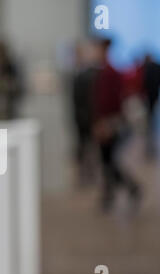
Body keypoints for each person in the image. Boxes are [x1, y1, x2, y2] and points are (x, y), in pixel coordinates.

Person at [92, 39, 141, 211]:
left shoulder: (109, 72)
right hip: (108, 120)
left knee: (109, 160)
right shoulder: (106, 71)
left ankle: (129, 188)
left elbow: (109, 101)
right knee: (107, 160)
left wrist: (103, 123)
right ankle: (112, 193)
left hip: (109, 122)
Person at [71, 42, 98, 185]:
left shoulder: (89, 74)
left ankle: (90, 173)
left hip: (87, 118)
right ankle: (86, 173)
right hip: (81, 118)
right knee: (84, 146)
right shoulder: (79, 74)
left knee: (90, 147)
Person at [142, 54, 160, 158]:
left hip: (151, 95)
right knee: (150, 115)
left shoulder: (152, 67)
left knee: (151, 115)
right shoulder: (147, 67)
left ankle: (150, 128)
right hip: (151, 94)